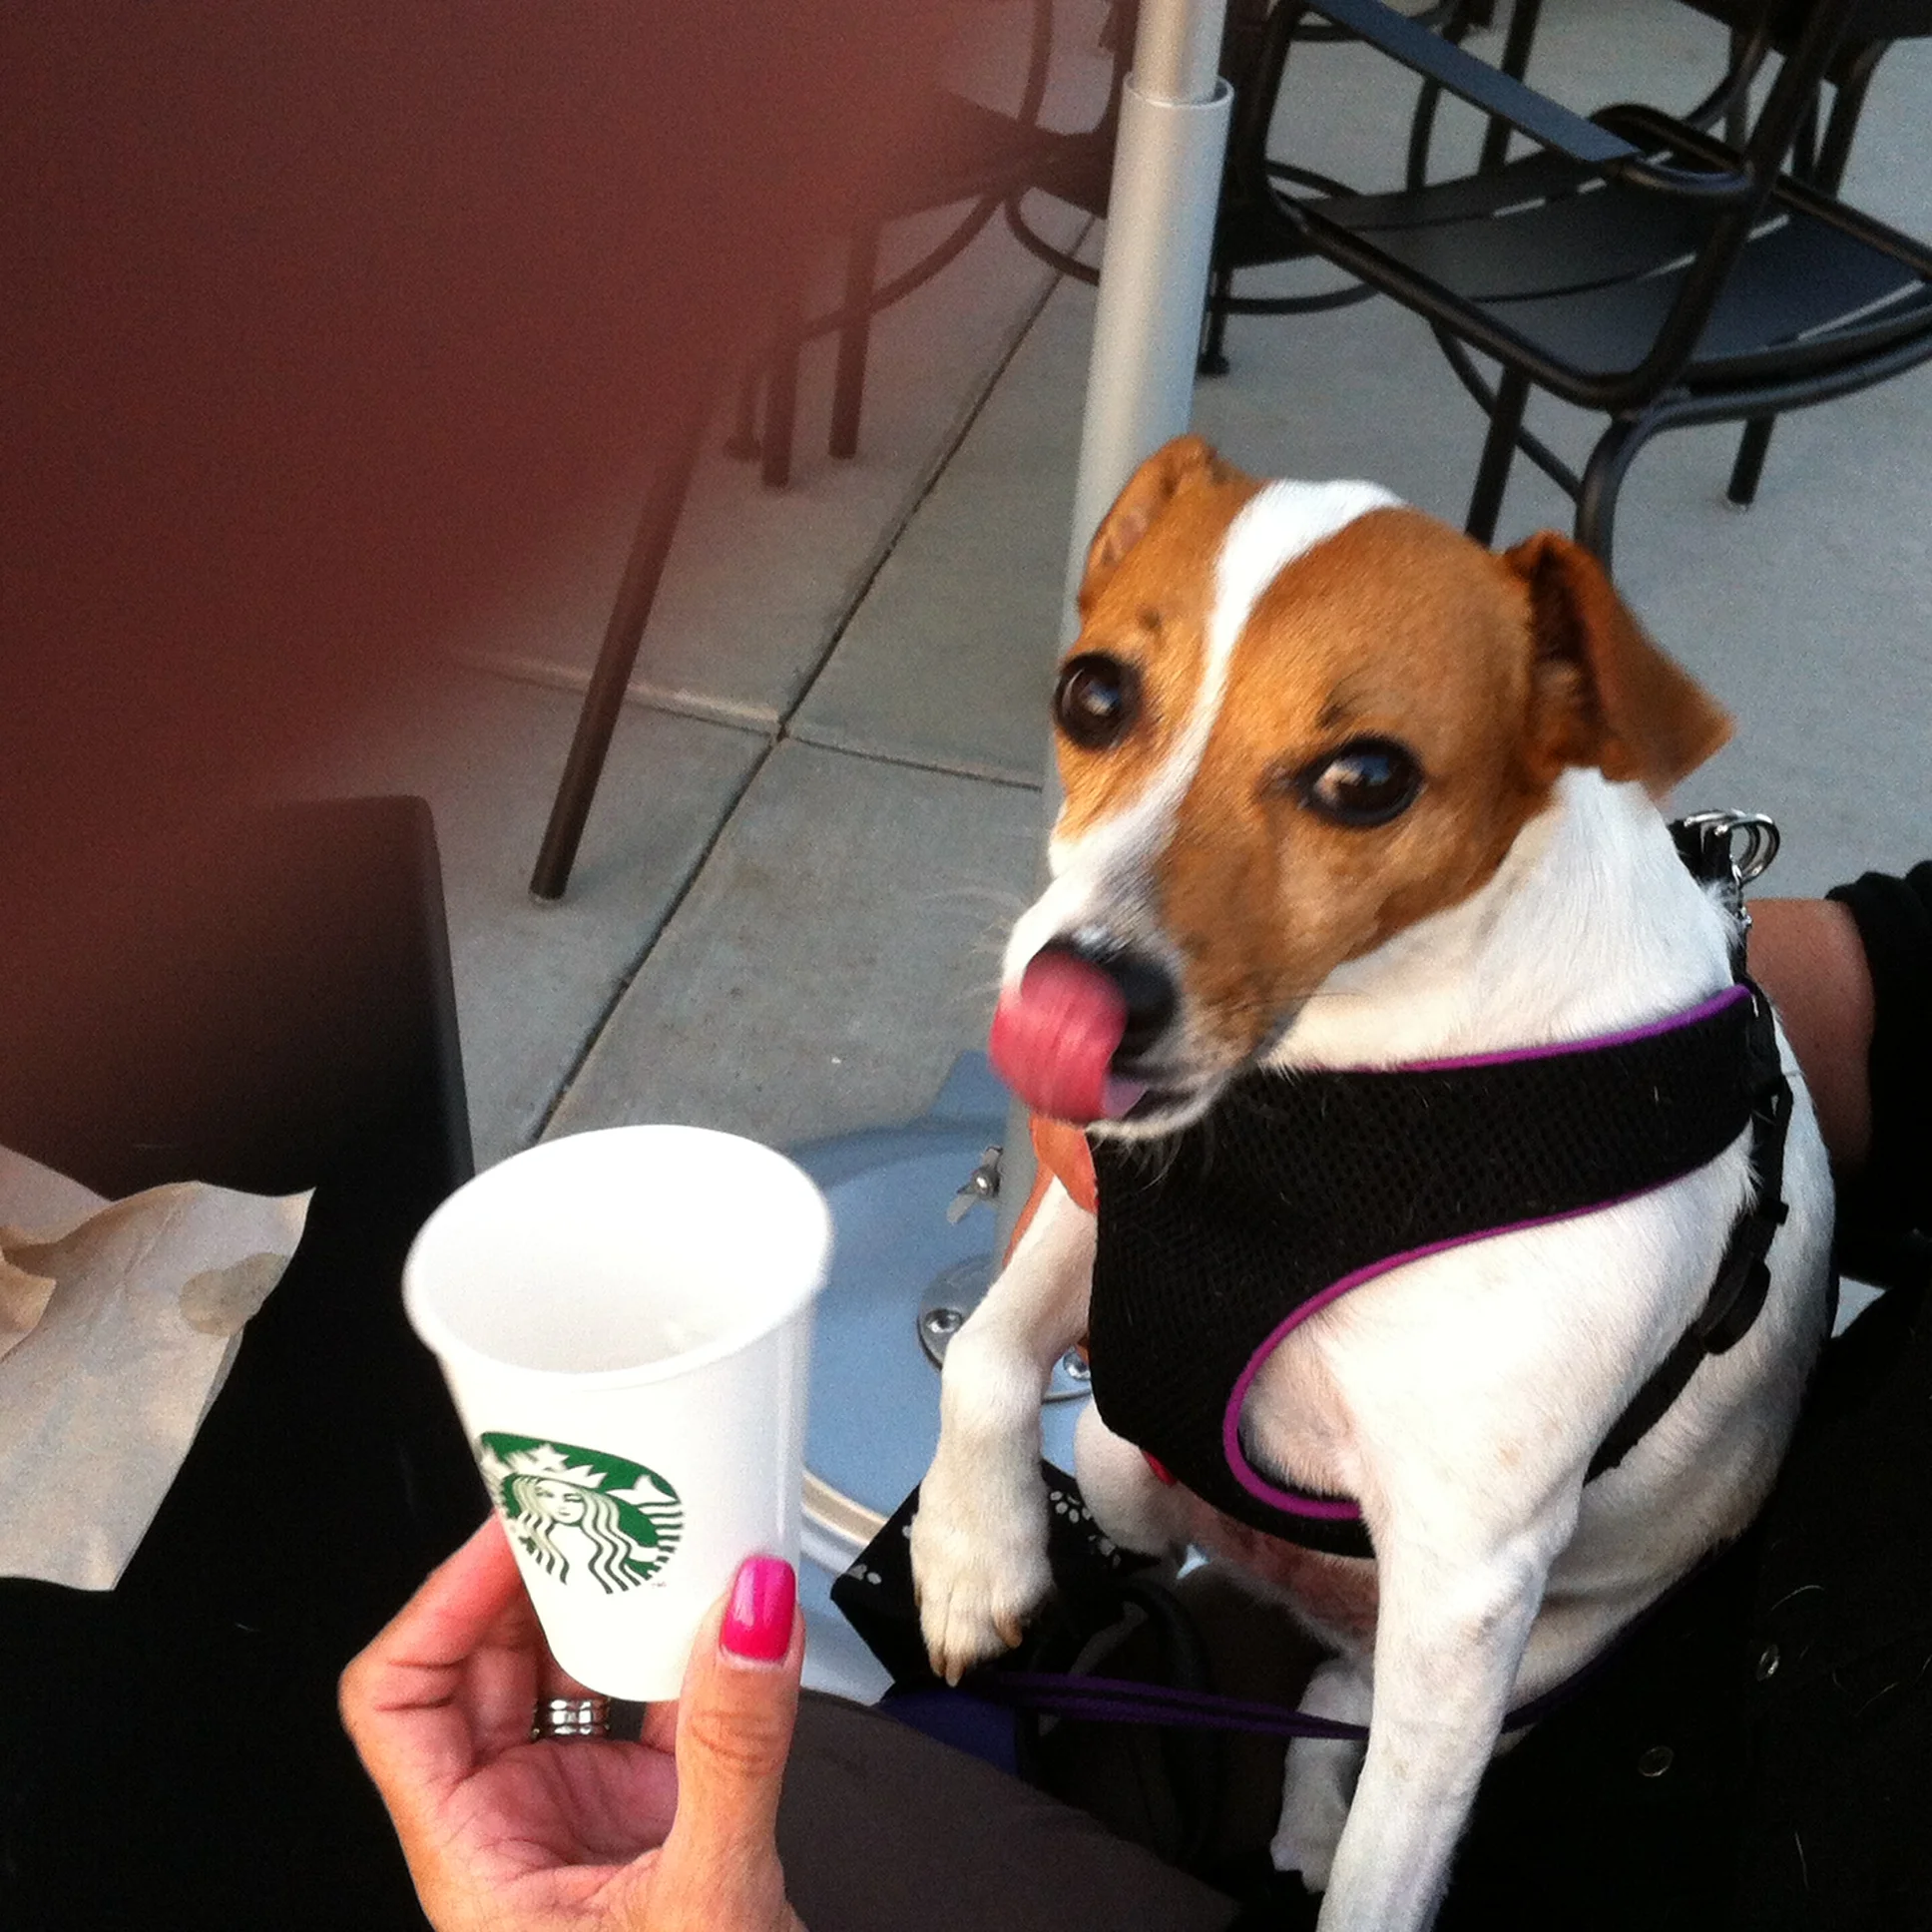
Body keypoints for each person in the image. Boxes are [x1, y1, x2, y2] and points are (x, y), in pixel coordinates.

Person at [342, 872, 1931, 1932]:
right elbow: (1894, 1001)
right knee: (618, 1765)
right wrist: (1486, 1011)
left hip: (1564, 1715)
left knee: (641, 1825)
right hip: (1542, 1649)